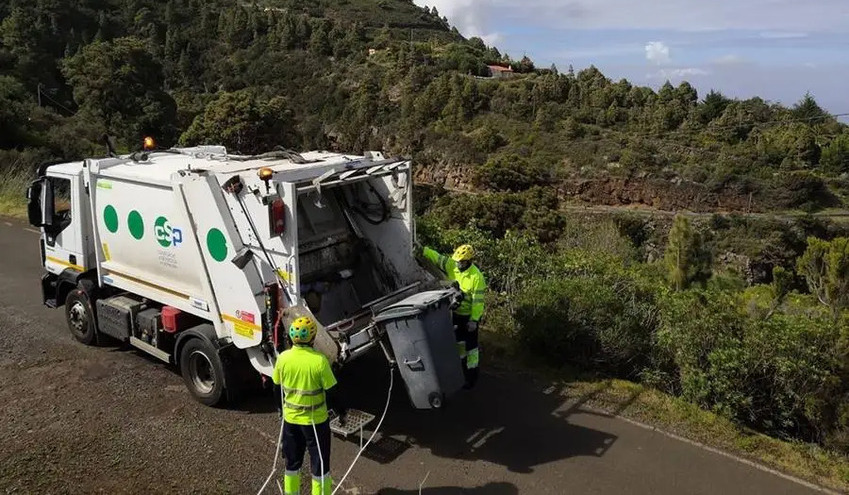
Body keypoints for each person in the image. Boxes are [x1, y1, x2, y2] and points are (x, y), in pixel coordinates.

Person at [272, 316, 346, 495]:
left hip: (290, 421)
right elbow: (332, 392)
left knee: (292, 463)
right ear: (313, 339)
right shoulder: (319, 361)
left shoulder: (283, 358)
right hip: (316, 422)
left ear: (290, 338)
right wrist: (341, 413)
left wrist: (281, 410)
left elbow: (276, 389)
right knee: (320, 465)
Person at [419, 243, 486, 389]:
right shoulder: (453, 266)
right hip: (455, 313)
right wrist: (423, 249)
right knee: (459, 344)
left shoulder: (476, 277)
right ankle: (461, 372)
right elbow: (438, 258)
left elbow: (478, 302)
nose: (458, 264)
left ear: (468, 261)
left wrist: (474, 320)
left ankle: (472, 376)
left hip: (469, 317)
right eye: (457, 261)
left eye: (460, 262)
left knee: (471, 349)